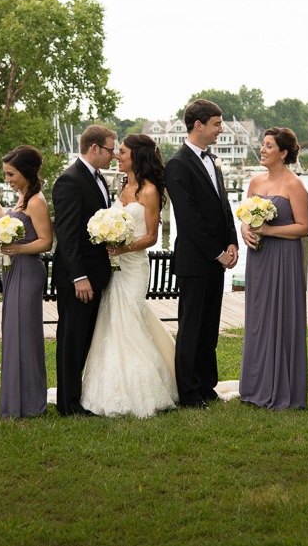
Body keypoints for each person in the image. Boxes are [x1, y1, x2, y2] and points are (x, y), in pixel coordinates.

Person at [81, 134, 179, 417]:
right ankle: (105, 384)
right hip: (114, 267)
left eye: (122, 152)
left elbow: (151, 237)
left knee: (130, 318)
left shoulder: (149, 190)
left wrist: (122, 248)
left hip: (134, 266)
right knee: (112, 320)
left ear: (137, 155)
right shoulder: (123, 186)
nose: (116, 156)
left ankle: (144, 387)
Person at [164, 99, 238, 410]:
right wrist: (217, 252)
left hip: (218, 259)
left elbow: (224, 207)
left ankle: (207, 385)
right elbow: (189, 217)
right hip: (196, 259)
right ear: (199, 125)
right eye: (217, 124)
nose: (222, 129)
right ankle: (189, 392)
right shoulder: (178, 164)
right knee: (192, 326)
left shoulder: (214, 160)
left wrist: (232, 242)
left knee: (210, 327)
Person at [239, 128, 308, 411]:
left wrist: (270, 230)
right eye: (263, 145)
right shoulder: (255, 181)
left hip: (284, 257)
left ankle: (282, 387)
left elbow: (305, 227)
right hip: (258, 257)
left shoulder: (294, 185)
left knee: (281, 316)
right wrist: (245, 230)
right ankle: (255, 385)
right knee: (257, 317)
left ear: (283, 153)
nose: (263, 150)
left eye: (269, 146)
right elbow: (245, 216)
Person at [51, 125, 117, 416]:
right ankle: (68, 404)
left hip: (96, 273)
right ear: (95, 149)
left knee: (86, 338)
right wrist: (79, 277)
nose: (113, 156)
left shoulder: (98, 179)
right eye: (110, 150)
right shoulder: (69, 180)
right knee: (71, 341)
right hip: (76, 278)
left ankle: (79, 397)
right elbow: (66, 234)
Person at [0, 146, 52, 419]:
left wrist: (16, 249)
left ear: (25, 172)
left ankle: (30, 403)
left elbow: (46, 241)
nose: (8, 179)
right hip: (15, 271)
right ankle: (17, 400)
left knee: (25, 335)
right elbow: (23, 230)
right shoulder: (22, 199)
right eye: (6, 174)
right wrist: (4, 218)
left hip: (27, 271)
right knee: (14, 333)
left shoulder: (36, 200)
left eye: (11, 174)